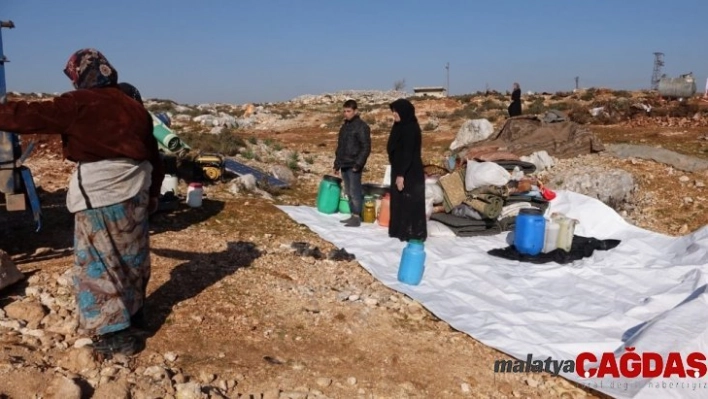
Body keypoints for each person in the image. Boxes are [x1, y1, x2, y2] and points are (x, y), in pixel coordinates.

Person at [0, 48, 164, 357]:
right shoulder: (135, 107)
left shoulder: (78, 103)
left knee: (98, 264)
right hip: (137, 191)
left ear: (79, 75)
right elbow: (155, 157)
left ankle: (115, 333)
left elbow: (28, 116)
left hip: (100, 192)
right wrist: (153, 194)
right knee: (132, 257)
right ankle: (135, 313)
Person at [386, 99, 427, 242]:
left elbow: (408, 153)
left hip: (410, 172)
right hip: (399, 169)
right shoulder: (398, 126)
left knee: (409, 202)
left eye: (396, 111)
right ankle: (399, 231)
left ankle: (413, 233)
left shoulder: (410, 128)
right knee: (399, 201)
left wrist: (401, 175)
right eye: (393, 111)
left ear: (404, 112)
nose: (394, 114)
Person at [333, 99, 371, 227]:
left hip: (354, 165)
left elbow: (366, 147)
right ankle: (352, 215)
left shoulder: (362, 126)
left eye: (348, 111)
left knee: (355, 192)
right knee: (348, 192)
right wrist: (336, 164)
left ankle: (356, 217)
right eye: (344, 111)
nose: (346, 114)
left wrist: (358, 164)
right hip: (344, 164)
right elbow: (340, 147)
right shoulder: (344, 127)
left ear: (355, 111)